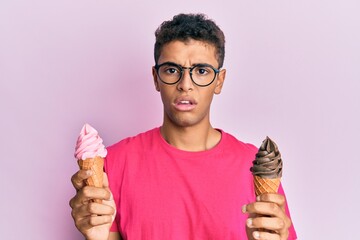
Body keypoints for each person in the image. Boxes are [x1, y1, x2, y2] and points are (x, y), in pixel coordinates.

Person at [70, 13, 297, 240]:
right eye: (171, 70)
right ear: (155, 78)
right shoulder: (115, 163)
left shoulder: (256, 165)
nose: (185, 85)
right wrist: (97, 238)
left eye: (201, 71)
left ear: (219, 81)